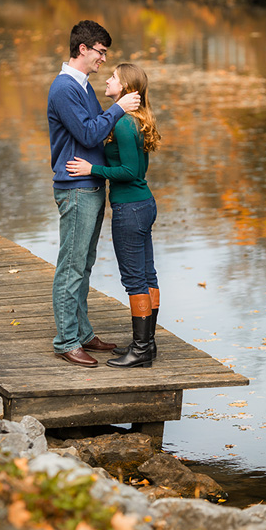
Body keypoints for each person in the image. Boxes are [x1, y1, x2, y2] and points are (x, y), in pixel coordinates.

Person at [48, 20, 140, 367]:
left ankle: (83, 333)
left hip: (89, 185)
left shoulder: (82, 85)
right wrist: (119, 108)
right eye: (101, 52)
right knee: (71, 267)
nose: (103, 59)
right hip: (74, 189)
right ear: (83, 49)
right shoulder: (63, 89)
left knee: (83, 264)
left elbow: (97, 131)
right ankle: (66, 340)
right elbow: (89, 135)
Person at [67, 63, 162, 368]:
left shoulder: (123, 124)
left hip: (130, 209)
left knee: (135, 279)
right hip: (142, 205)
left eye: (113, 78)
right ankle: (147, 345)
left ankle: (142, 348)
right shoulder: (134, 120)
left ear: (123, 88)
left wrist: (92, 169)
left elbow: (129, 171)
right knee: (147, 275)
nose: (106, 79)